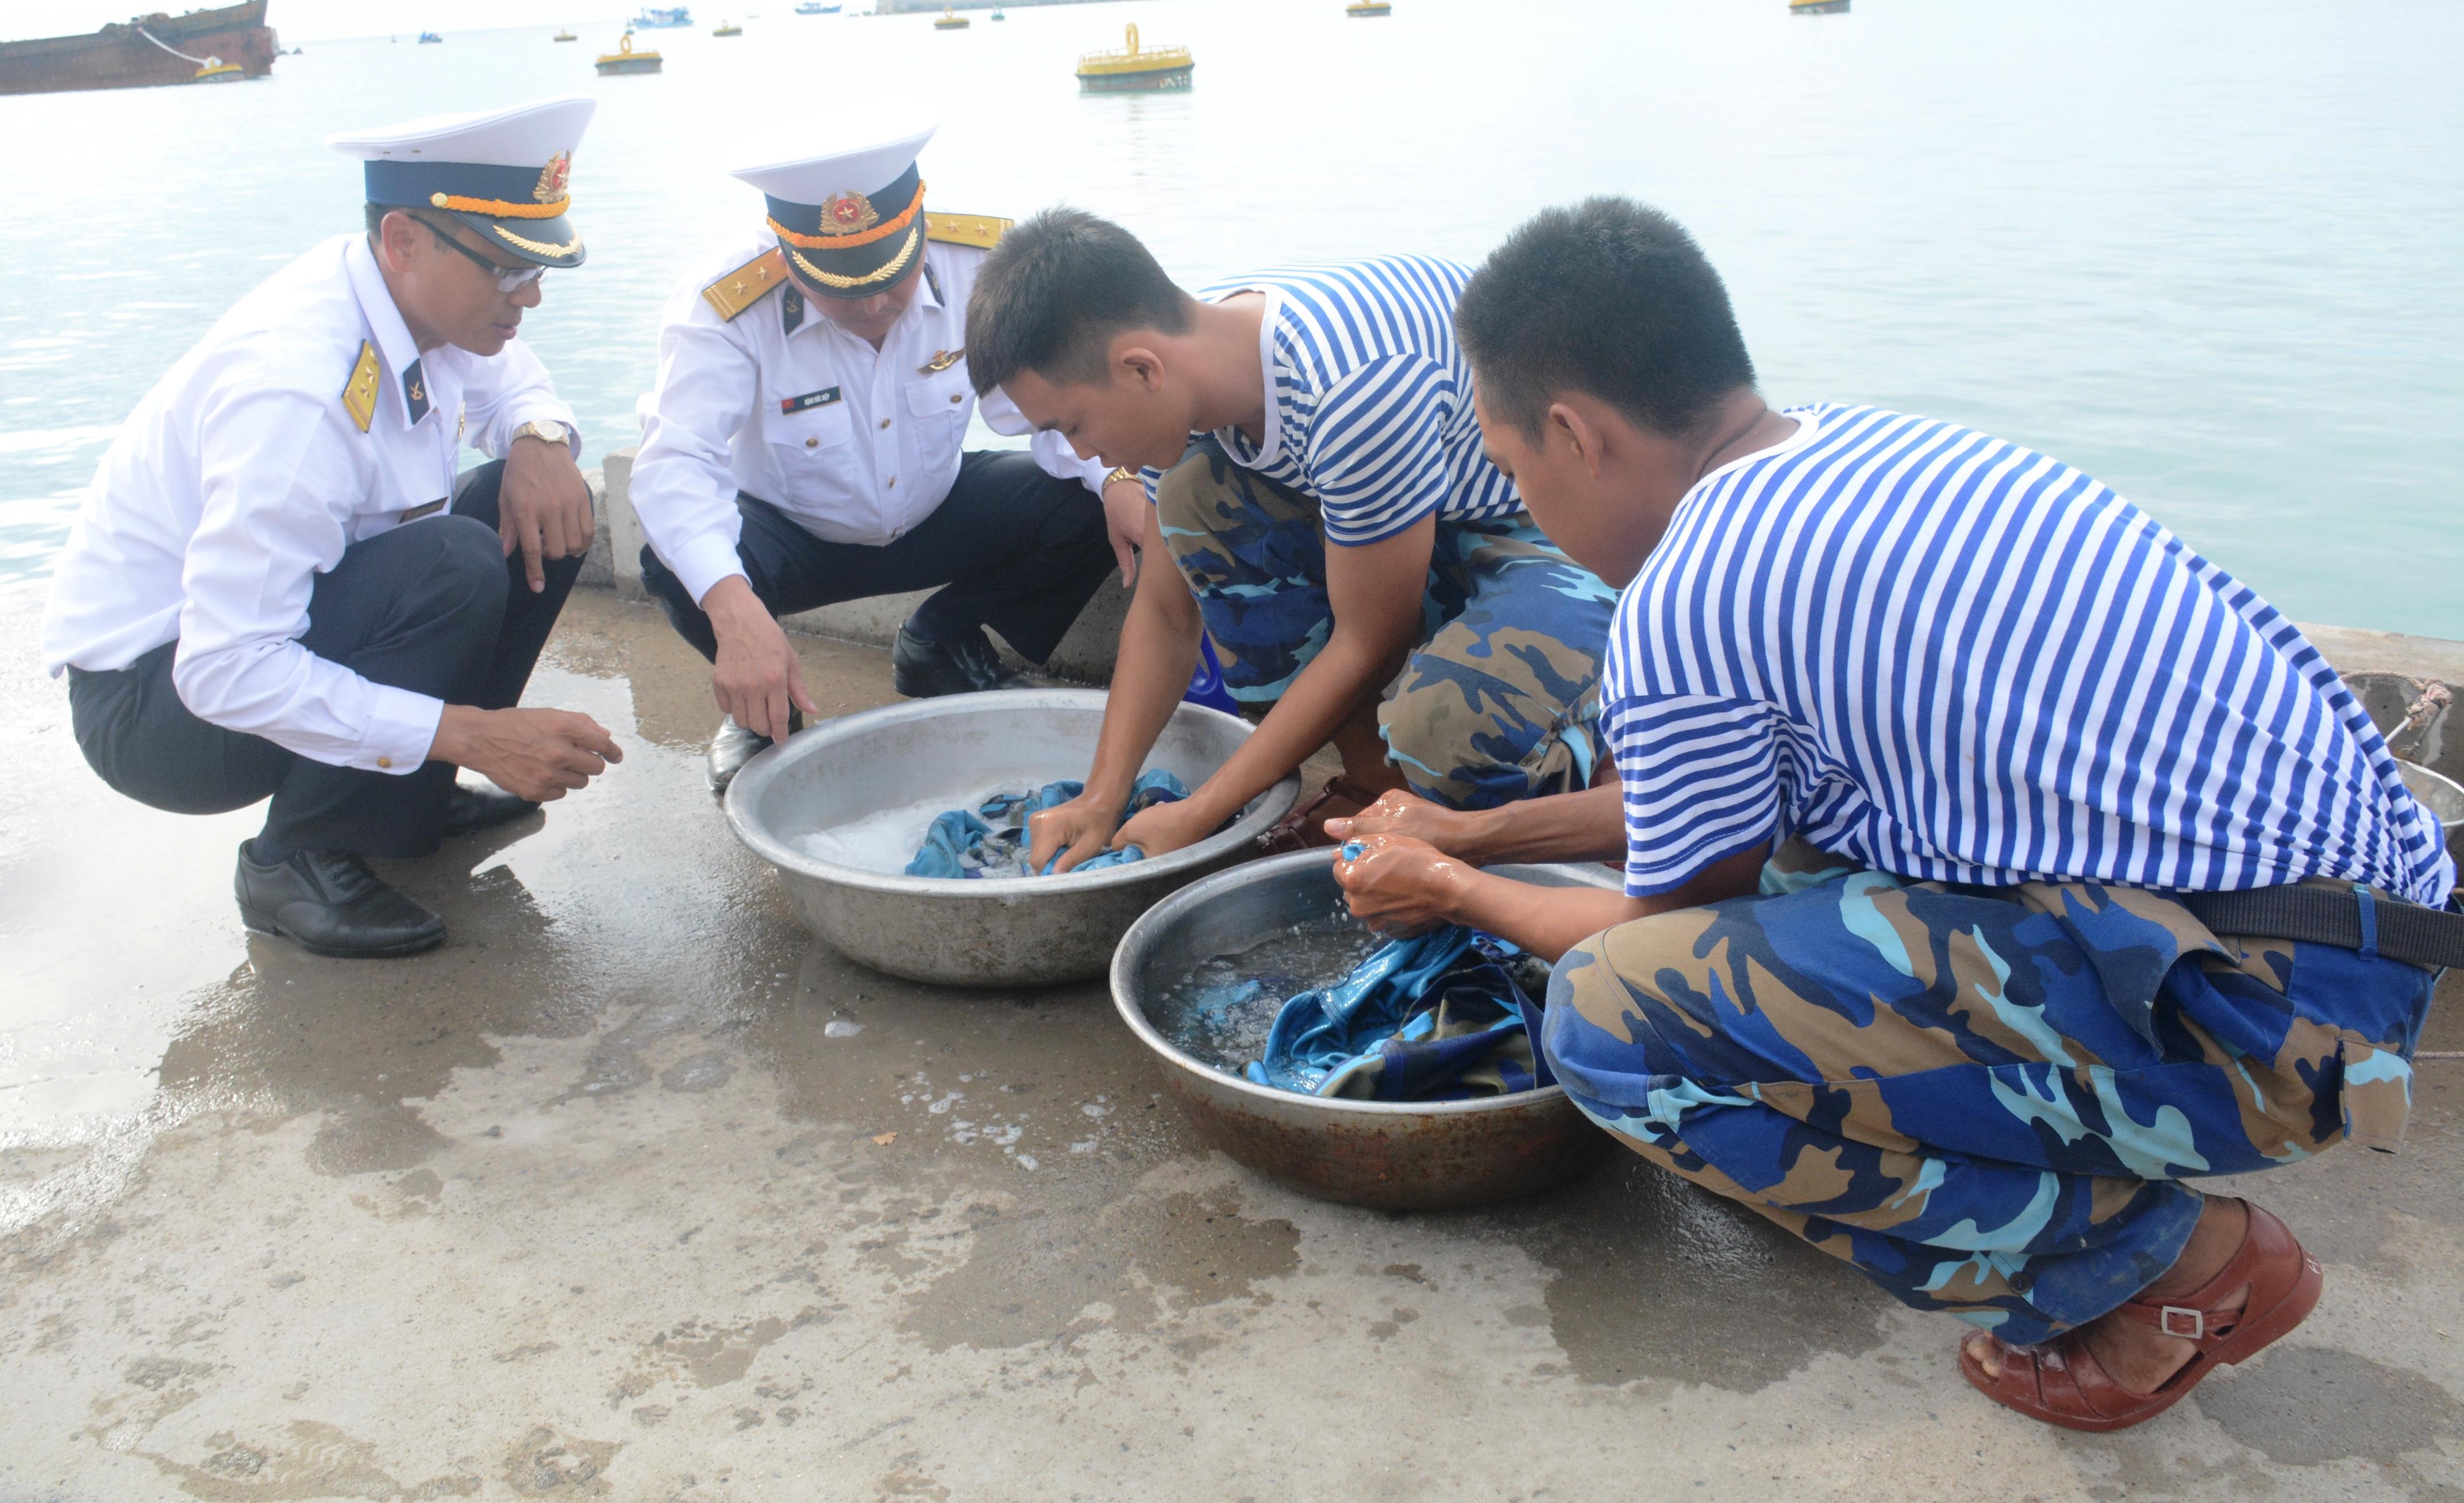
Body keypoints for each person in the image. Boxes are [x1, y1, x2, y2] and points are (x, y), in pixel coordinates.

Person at [1331, 196, 2455, 1430]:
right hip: (2364, 930)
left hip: (2266, 1019)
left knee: (1612, 1028)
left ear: (1571, 433)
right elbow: (1710, 826)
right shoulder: (1864, 451)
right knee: (1794, 883)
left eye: (1512, 471)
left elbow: (1645, 930)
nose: (1524, 505)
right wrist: (1473, 834)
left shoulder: (1688, 597)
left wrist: (1444, 890)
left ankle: (2158, 1264)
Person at [41, 98, 624, 958]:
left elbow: (511, 375)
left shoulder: (409, 295)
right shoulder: (297, 391)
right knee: (455, 563)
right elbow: (227, 668)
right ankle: (292, 862)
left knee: (537, 501)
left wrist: (541, 437)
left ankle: (407, 795)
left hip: (246, 643)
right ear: (403, 240)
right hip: (153, 704)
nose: (529, 297)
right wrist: (470, 734)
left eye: (535, 270)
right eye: (506, 270)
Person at [961, 208, 1619, 874]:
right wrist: (1103, 799)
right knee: (1197, 496)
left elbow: (1370, 641)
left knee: (1448, 729)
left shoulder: (1353, 389)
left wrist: (1200, 813)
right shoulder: (1185, 359)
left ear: (1141, 370)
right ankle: (1373, 788)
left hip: (1550, 520)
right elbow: (1164, 611)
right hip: (1421, 504)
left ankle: (1563, 807)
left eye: (1073, 425)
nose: (1081, 453)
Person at [630, 125, 1144, 791]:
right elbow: (675, 462)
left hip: (936, 509)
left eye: (889, 277)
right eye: (840, 286)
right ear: (788, 258)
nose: (872, 304)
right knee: (677, 561)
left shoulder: (982, 265)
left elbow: (1044, 409)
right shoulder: (723, 304)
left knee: (1087, 501)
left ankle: (939, 642)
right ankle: (765, 712)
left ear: (921, 232)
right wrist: (733, 610)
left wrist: (1120, 478)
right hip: (791, 537)